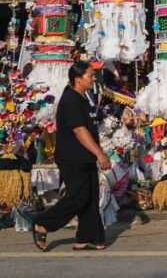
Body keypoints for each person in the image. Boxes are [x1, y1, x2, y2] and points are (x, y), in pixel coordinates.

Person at [32, 61, 112, 252]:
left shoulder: (82, 98)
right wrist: (100, 154)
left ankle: (87, 238)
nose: (93, 79)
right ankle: (43, 223)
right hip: (72, 157)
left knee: (91, 196)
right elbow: (79, 130)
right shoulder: (71, 100)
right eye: (90, 76)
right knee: (79, 196)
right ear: (77, 79)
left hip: (84, 156)